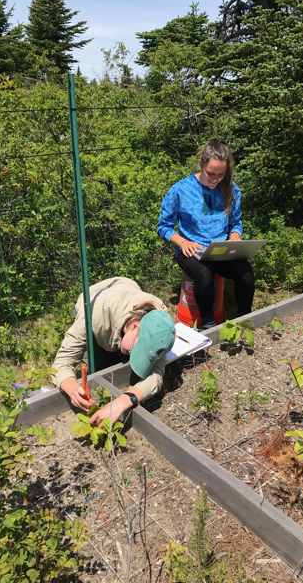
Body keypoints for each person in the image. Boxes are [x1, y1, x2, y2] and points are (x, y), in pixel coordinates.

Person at [157, 138, 255, 328]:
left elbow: (235, 222)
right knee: (205, 273)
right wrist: (182, 242)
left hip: (221, 250)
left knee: (246, 273)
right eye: (210, 173)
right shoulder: (180, 190)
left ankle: (245, 319)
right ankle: (209, 324)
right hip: (191, 250)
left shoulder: (232, 190)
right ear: (200, 164)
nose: (215, 179)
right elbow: (163, 226)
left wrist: (235, 236)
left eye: (221, 174)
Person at [51, 277, 175, 424]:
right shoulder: (92, 316)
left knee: (121, 370)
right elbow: (60, 364)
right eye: (136, 349)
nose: (134, 355)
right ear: (135, 326)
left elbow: (156, 375)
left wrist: (125, 400)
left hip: (126, 290)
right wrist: (72, 389)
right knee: (97, 370)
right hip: (94, 300)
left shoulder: (160, 325)